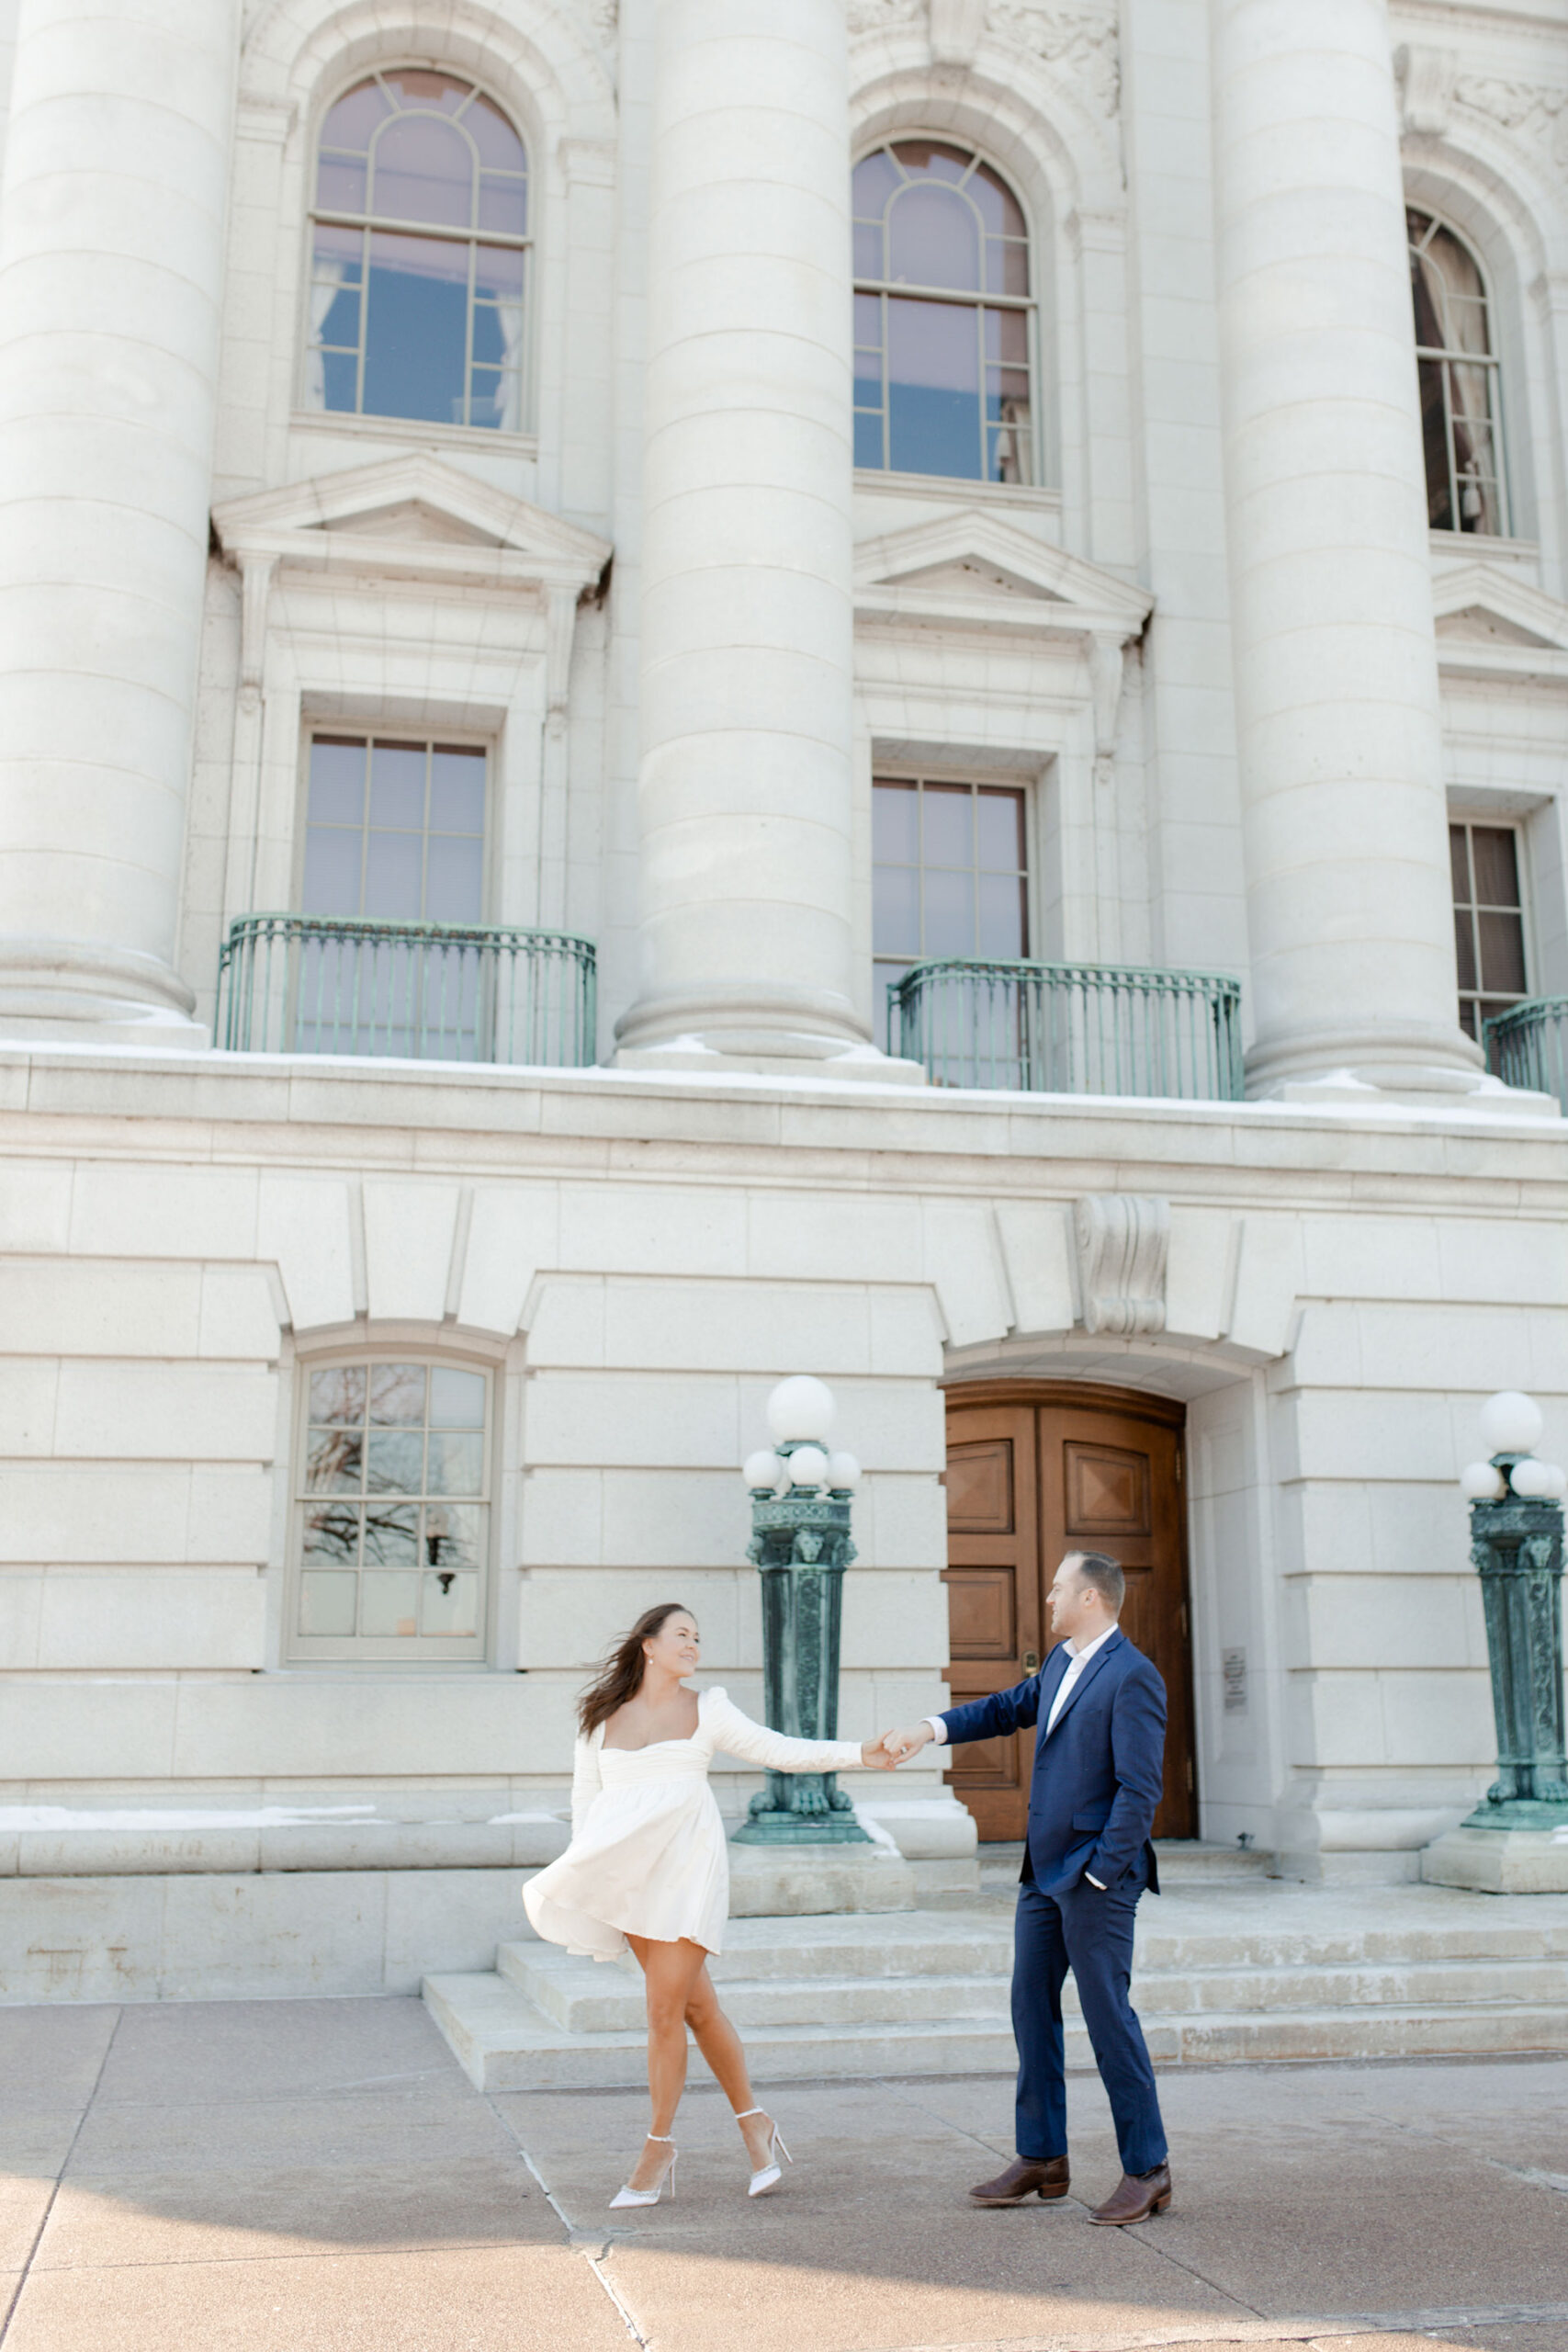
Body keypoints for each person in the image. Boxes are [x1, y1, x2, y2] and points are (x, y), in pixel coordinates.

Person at [524, 1601, 895, 2209]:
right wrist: (588, 1880)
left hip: (686, 1873)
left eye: (698, 1636)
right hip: (627, 1879)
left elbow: (781, 1751)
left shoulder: (707, 1709)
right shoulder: (598, 1718)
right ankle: (755, 2126)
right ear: (648, 1645)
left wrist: (861, 1753)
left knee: (662, 2011)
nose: (693, 1645)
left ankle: (656, 2149)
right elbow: (585, 1808)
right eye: (681, 1635)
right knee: (696, 2007)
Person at [877, 1549, 1171, 2225]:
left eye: (1058, 1589)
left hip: (1095, 1878)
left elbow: (1139, 1788)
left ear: (1091, 1599)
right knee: (1028, 2010)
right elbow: (1005, 1709)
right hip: (1042, 1874)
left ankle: (1148, 2169)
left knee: (1107, 2021)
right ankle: (1042, 2158)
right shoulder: (1061, 1664)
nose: (1048, 1598)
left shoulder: (1133, 1676)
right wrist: (927, 1729)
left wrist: (1102, 1870)